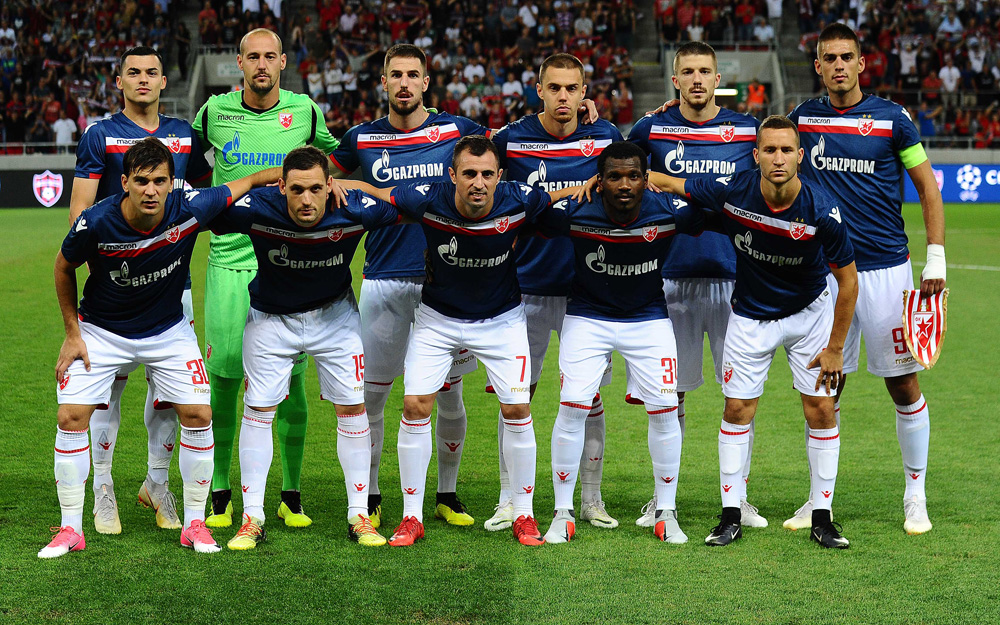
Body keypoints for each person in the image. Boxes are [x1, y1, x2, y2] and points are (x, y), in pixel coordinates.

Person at [41, 137, 278, 558]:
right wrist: (72, 333)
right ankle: (70, 529)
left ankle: (194, 524)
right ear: (125, 183)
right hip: (102, 330)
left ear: (172, 182)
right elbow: (63, 266)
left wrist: (303, 175)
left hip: (168, 331)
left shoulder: (190, 207)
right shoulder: (96, 222)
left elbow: (249, 181)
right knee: (71, 415)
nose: (151, 191)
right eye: (142, 181)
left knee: (199, 413)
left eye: (160, 181)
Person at [342, 136, 575, 547]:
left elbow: (557, 199)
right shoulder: (427, 198)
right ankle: (412, 517)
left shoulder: (520, 198)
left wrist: (589, 185)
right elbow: (378, 192)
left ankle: (523, 513)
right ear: (452, 175)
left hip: (502, 320)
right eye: (469, 173)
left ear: (499, 176)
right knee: (415, 405)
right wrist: (333, 184)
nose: (478, 183)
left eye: (487, 174)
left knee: (517, 408)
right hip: (438, 320)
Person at [649, 116, 859, 549]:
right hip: (749, 316)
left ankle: (822, 516)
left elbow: (849, 281)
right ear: (755, 155)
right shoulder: (732, 191)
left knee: (821, 410)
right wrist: (605, 179)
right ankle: (731, 514)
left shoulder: (823, 211)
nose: (778, 158)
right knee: (737, 409)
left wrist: (836, 347)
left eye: (786, 150)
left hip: (809, 315)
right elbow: (669, 182)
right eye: (770, 150)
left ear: (800, 156)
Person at [785, 23, 945, 535]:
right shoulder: (802, 119)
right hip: (825, 276)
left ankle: (915, 496)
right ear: (818, 66)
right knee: (823, 389)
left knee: (902, 383)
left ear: (860, 63)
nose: (838, 65)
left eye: (846, 57)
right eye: (829, 58)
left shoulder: (892, 119)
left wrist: (936, 257)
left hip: (885, 273)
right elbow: (756, 142)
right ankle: (819, 502)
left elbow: (927, 187)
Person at [208, 146, 402, 550]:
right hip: (270, 320)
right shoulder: (258, 207)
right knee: (258, 410)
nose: (307, 200)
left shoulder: (354, 209)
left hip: (335, 319)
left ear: (330, 185)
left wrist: (356, 186)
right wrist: (255, 179)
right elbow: (205, 207)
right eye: (296, 189)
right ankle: (252, 518)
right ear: (281, 187)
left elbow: (406, 204)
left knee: (352, 408)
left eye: (316, 188)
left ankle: (359, 516)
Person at [329, 44, 490, 529]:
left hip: (445, 286)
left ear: (425, 82)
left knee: (449, 396)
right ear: (383, 82)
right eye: (395, 75)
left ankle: (447, 493)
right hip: (383, 283)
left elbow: (519, 143)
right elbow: (318, 175)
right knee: (373, 397)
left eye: (412, 75)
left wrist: (586, 117)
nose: (403, 83)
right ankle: (372, 495)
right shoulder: (361, 138)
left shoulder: (457, 131)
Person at [192, 28, 341, 530]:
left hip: (285, 262)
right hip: (229, 262)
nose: (261, 64)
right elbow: (189, 167)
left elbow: (336, 158)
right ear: (239, 63)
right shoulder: (213, 112)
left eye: (269, 57)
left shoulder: (306, 112)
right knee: (225, 381)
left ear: (282, 62)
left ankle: (290, 493)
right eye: (252, 56)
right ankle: (220, 491)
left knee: (291, 384)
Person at [68, 46, 212, 536]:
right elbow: (80, 212)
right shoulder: (100, 134)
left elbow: (200, 194)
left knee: (170, 395)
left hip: (173, 284)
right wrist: (111, 269)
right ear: (119, 81)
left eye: (152, 72)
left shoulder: (184, 135)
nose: (143, 79)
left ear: (164, 80)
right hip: (114, 290)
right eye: (134, 72)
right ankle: (103, 487)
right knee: (106, 392)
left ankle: (157, 483)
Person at [539, 141, 707, 545]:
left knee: (665, 411)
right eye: (614, 176)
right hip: (587, 317)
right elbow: (528, 208)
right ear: (599, 181)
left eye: (634, 176)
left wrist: (668, 183)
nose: (625, 184)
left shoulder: (669, 211)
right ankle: (562, 513)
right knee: (572, 407)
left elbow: (716, 207)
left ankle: (666, 511)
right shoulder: (576, 211)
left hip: (648, 319)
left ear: (646, 179)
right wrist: (572, 189)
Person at [627, 42, 765, 529]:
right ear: (675, 80)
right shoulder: (650, 129)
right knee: (670, 397)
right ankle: (662, 498)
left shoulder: (748, 130)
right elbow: (620, 173)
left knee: (740, 396)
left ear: (717, 78)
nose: (697, 79)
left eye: (705, 71)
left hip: (737, 280)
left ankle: (739, 498)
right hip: (670, 280)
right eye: (688, 71)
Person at [488, 53, 623, 531]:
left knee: (589, 398)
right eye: (554, 88)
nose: (563, 96)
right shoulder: (509, 140)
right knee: (516, 395)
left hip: (588, 293)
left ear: (584, 92)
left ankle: (591, 499)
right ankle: (509, 499)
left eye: (572, 88)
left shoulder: (606, 138)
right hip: (522, 288)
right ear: (539, 90)